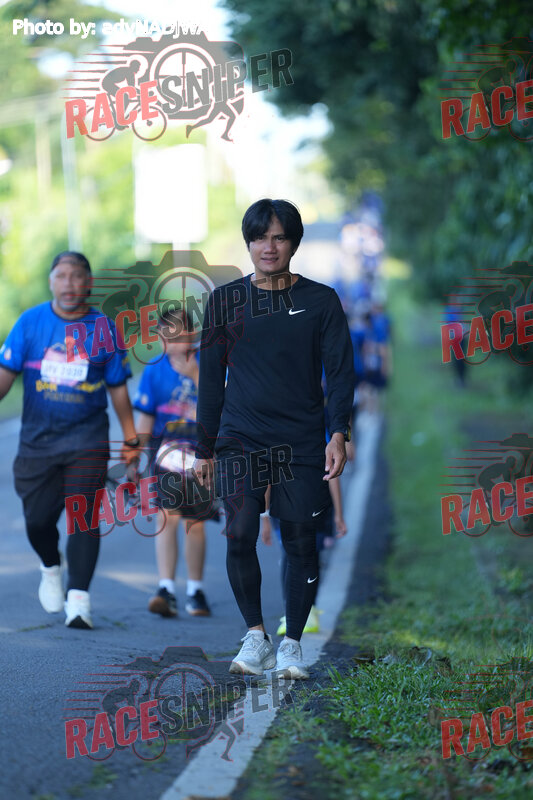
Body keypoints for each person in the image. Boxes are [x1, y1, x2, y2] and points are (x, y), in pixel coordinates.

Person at [194, 199, 355, 679]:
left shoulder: (321, 301)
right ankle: (255, 635)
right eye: (260, 237)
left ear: (293, 243)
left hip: (300, 440)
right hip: (239, 437)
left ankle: (292, 643)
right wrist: (204, 449)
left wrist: (338, 434)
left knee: (301, 540)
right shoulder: (225, 301)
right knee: (239, 532)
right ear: (248, 243)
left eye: (279, 237)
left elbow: (340, 374)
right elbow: (210, 381)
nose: (270, 246)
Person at [0, 251, 138, 629]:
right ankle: (50, 565)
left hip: (87, 438)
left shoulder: (104, 329)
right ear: (51, 282)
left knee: (83, 514)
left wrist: (130, 439)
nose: (69, 283)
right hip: (37, 442)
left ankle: (79, 599)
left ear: (89, 283)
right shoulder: (30, 323)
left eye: (77, 276)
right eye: (61, 276)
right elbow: (5, 376)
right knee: (36, 521)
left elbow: (118, 389)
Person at [134, 310, 217, 618]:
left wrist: (196, 375)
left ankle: (195, 590)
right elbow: (145, 419)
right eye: (167, 337)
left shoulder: (208, 364)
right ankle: (166, 587)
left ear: (193, 335)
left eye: (181, 336)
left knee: (195, 523)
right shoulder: (154, 370)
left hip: (201, 454)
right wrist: (135, 456)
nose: (175, 343)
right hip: (165, 454)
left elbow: (222, 406)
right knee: (166, 517)